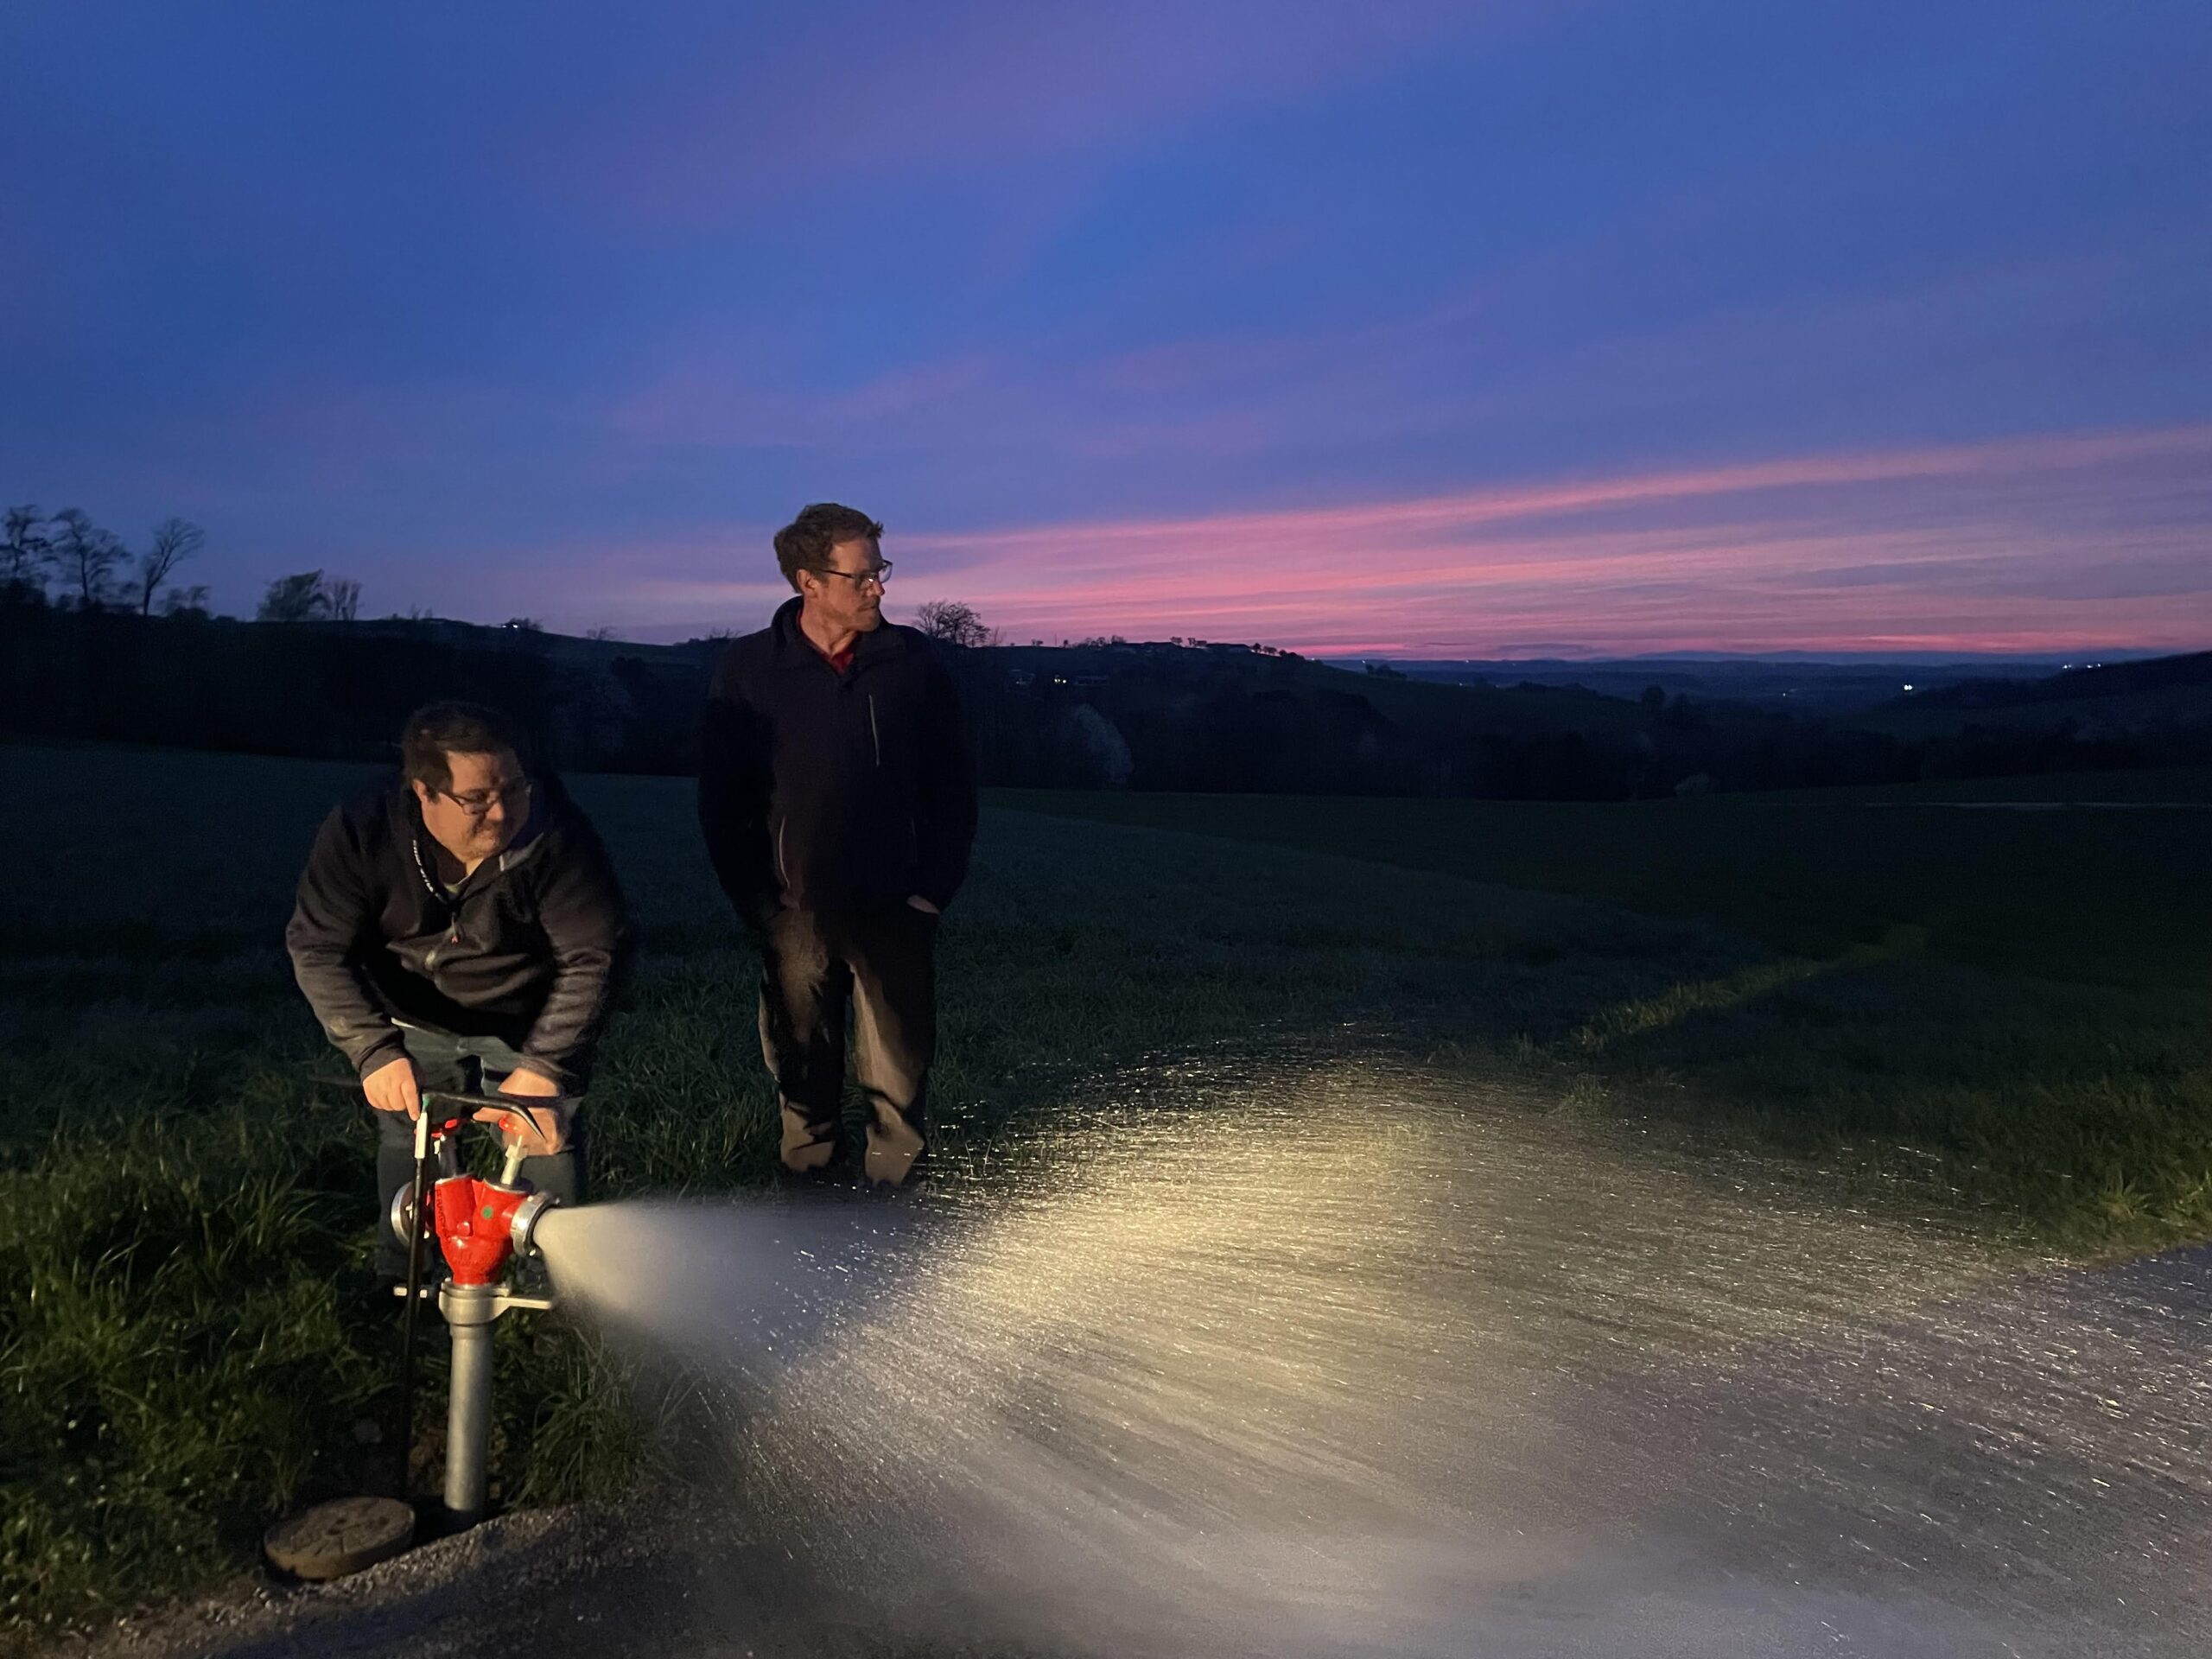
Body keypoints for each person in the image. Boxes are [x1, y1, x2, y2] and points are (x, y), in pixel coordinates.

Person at [287, 702, 629, 1274]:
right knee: (412, 1132)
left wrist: (547, 1066)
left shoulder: (557, 834)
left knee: (543, 1132)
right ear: (424, 792)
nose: (502, 813)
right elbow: (317, 947)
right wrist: (373, 1050)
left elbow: (597, 953)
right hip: (412, 1012)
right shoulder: (362, 829)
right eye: (477, 799)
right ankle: (404, 1274)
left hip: (531, 1015)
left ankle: (554, 1285)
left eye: (514, 789)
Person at [699, 502, 978, 1187]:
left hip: (896, 906)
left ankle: (896, 1195)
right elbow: (724, 799)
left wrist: (930, 893)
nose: (878, 587)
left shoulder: (913, 661)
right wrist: (761, 906)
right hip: (794, 910)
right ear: (810, 582)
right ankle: (810, 1192)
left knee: (900, 1070)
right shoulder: (751, 668)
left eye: (881, 571)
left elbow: (953, 784)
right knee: (801, 1060)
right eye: (862, 576)